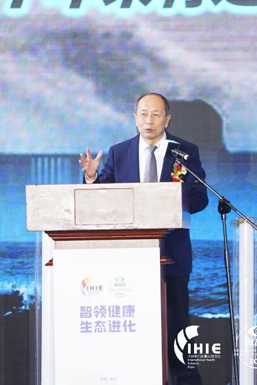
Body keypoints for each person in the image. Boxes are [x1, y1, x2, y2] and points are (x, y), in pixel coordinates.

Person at [79, 92, 208, 385]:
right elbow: (102, 199)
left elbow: (200, 198)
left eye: (155, 114)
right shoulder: (119, 152)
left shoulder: (185, 151)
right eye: (143, 114)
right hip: (127, 256)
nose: (148, 120)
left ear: (167, 119)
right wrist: (92, 179)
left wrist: (172, 200)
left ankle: (185, 380)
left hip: (172, 254)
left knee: (177, 325)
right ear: (135, 118)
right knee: (133, 323)